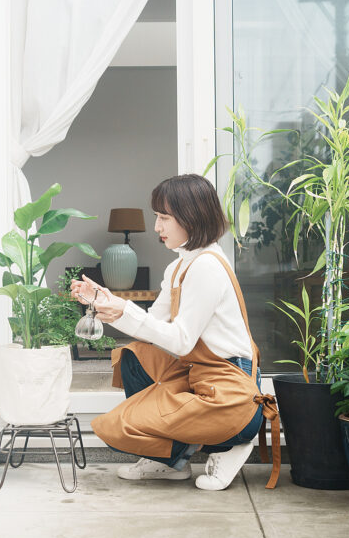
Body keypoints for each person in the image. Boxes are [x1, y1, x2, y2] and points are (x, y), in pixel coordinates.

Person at [70, 174, 279, 490]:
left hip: (230, 383)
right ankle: (171, 462)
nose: (157, 227)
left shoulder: (207, 266)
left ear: (193, 218)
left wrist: (122, 309)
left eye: (164, 218)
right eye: (157, 216)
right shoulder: (179, 266)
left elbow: (181, 339)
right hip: (197, 373)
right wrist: (108, 302)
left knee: (121, 429)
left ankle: (234, 438)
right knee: (134, 356)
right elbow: (152, 328)